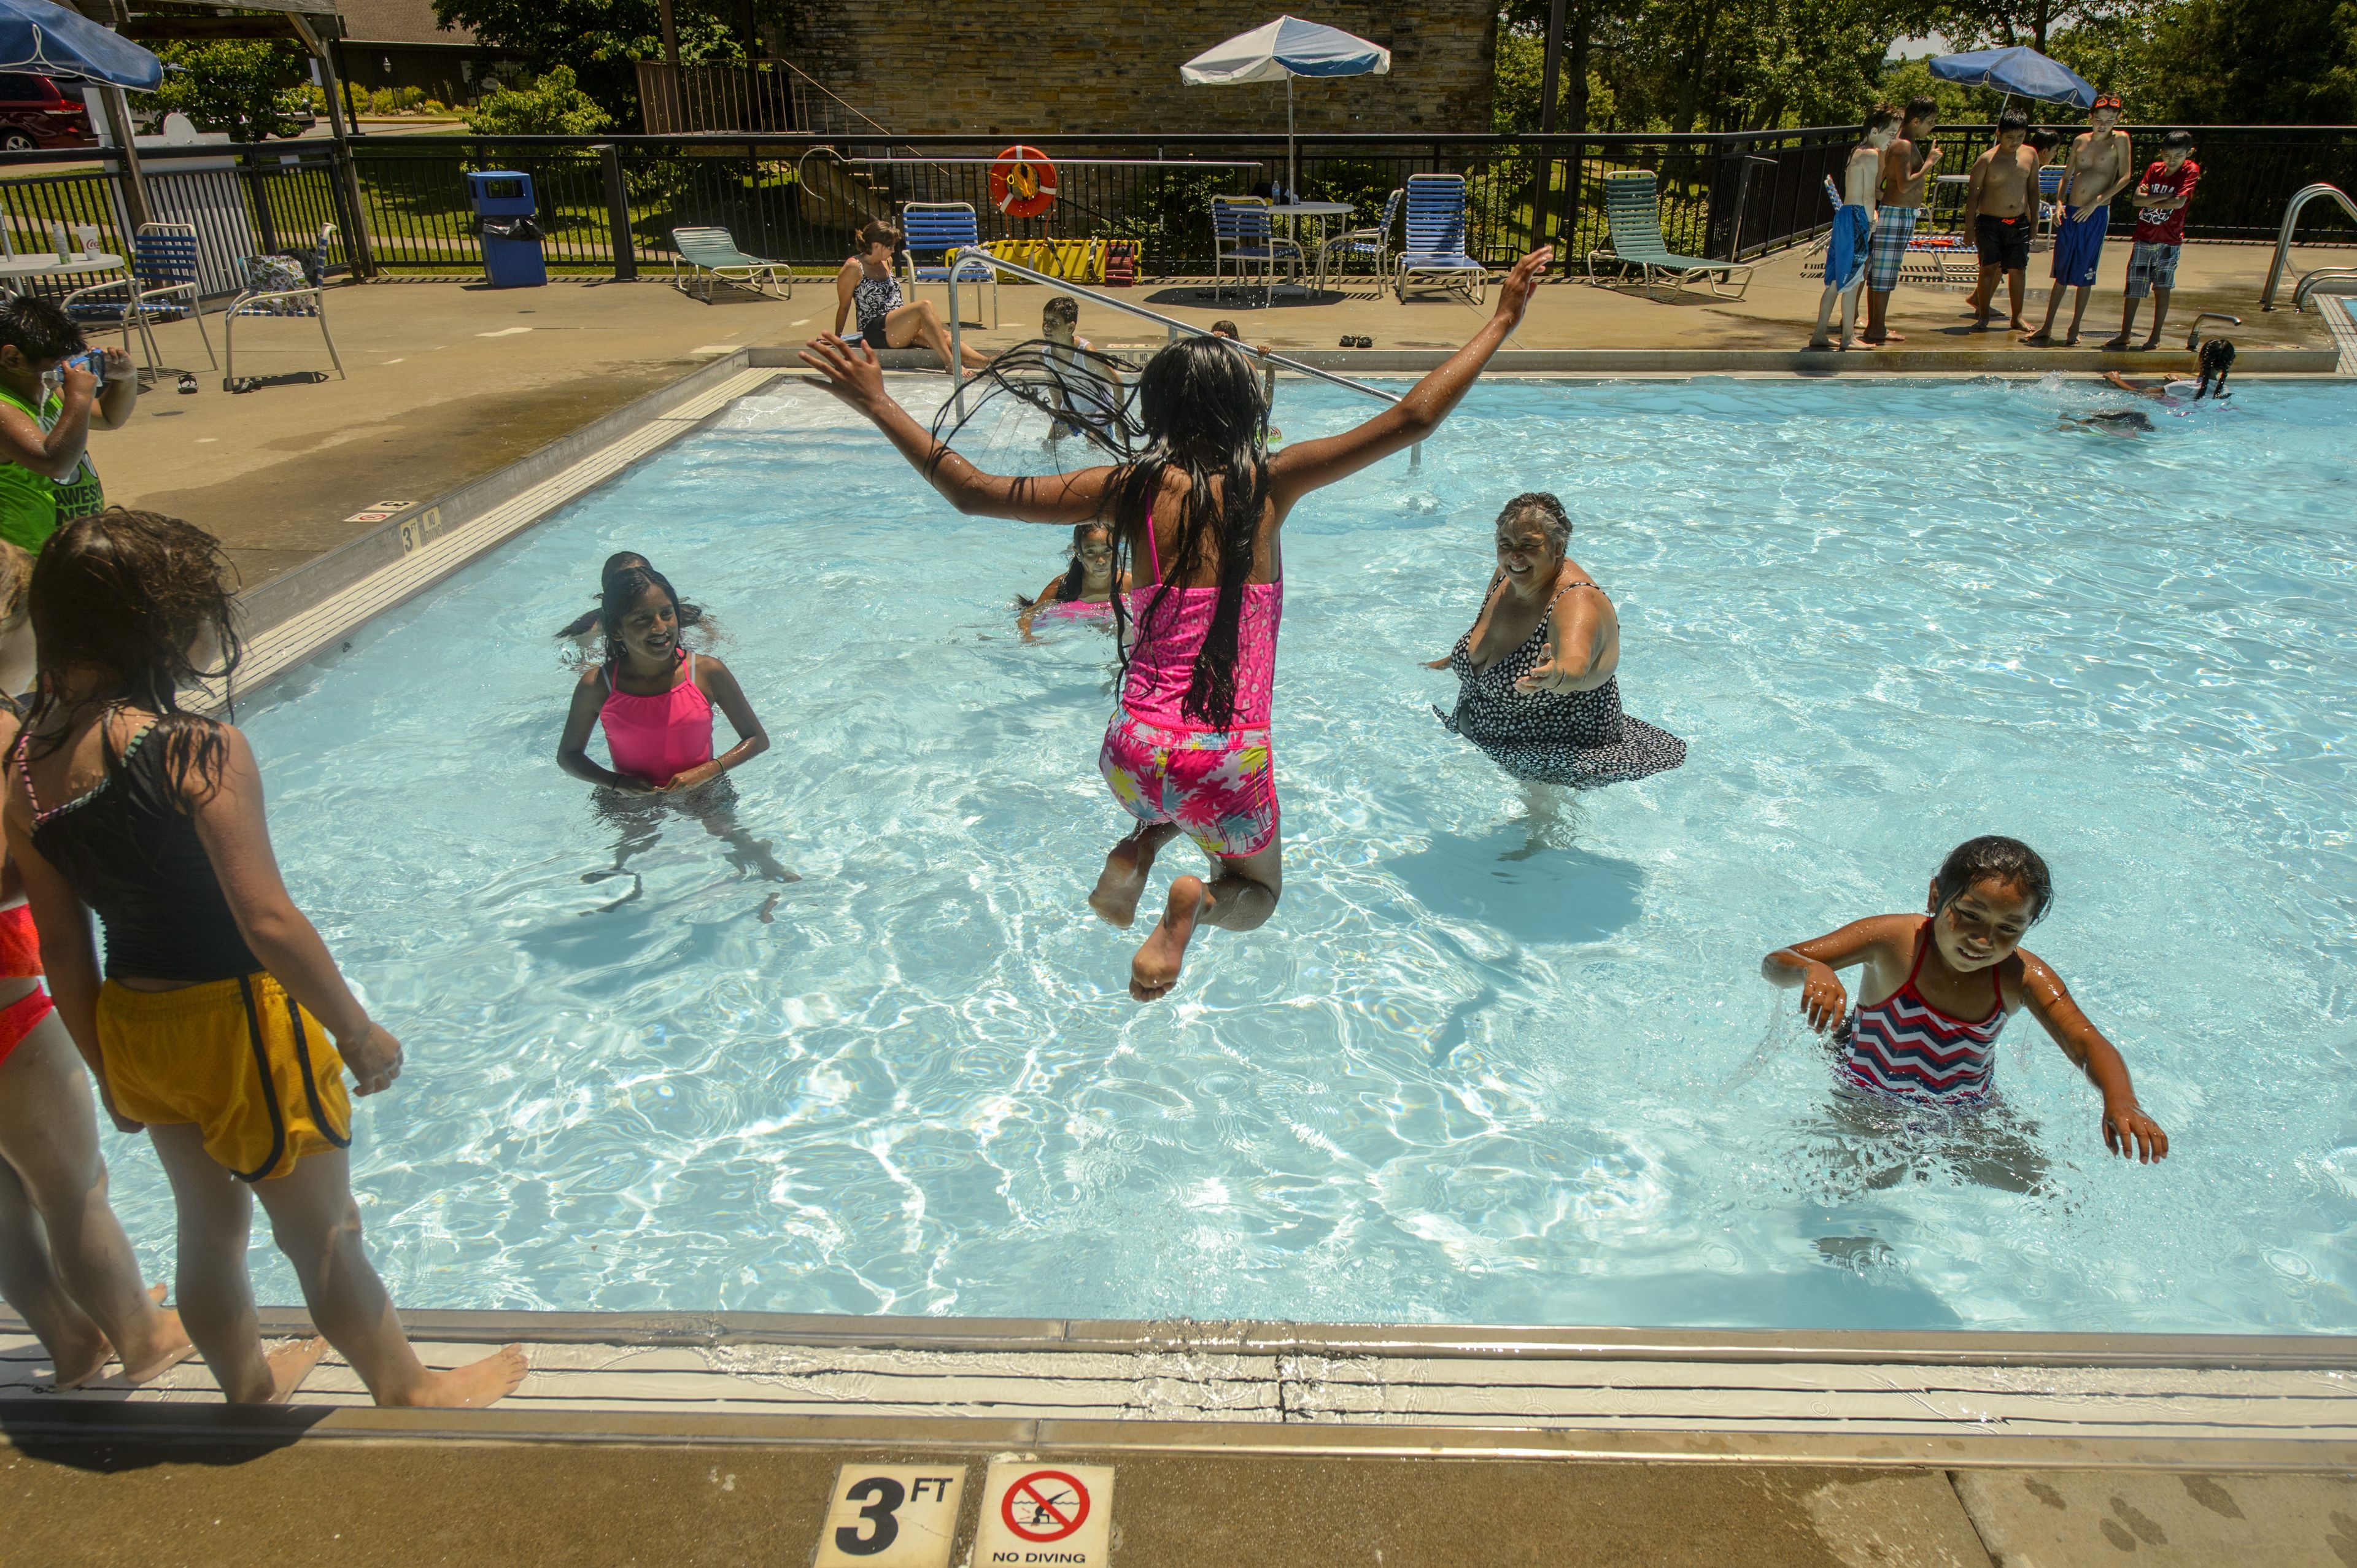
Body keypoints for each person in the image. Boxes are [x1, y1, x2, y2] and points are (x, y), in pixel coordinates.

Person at [800, 245, 1556, 1002]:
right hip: (1224, 760)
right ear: (1246, 410)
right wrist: (1500, 321)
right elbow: (1414, 415)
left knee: (1169, 794)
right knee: (1257, 895)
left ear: (1156, 411)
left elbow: (972, 490)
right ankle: (1190, 909)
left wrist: (876, 401)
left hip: (1130, 753)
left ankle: (1137, 848)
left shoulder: (1128, 489)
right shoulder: (1273, 482)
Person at [1, 509, 528, 1406]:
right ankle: (405, 1386)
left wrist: (110, 1071)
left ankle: (247, 1386)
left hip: (136, 1021)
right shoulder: (196, 751)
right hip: (241, 1024)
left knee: (209, 1226)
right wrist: (357, 1033)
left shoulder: (23, 768)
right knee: (324, 1228)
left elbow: (61, 946)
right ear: (160, 627)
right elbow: (268, 920)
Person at [0, 539, 195, 1392]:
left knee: (6, 1188)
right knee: (73, 1183)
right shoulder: (1, 729)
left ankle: (70, 1331)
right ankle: (140, 1336)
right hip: (6, 1002)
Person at [1760, 835, 2169, 1162]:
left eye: (2009, 928)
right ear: (1936, 898)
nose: (1983, 939)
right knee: (1863, 1203)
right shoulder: (1893, 942)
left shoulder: (2021, 976)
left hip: (1965, 1109)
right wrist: (1812, 969)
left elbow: (2085, 1041)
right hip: (1868, 1095)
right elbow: (1778, 961)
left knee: (2043, 1188)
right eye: (1970, 914)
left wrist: (2122, 1101)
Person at [555, 559, 795, 890]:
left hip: (704, 786)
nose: (660, 627)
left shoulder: (707, 672)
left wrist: (707, 771)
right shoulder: (598, 685)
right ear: (616, 630)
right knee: (633, 843)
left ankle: (771, 880)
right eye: (642, 619)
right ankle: (623, 878)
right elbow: (568, 755)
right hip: (629, 792)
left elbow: (756, 739)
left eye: (667, 614)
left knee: (731, 834)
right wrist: (614, 782)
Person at [1426, 493, 1685, 791]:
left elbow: (1575, 665)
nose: (1515, 556)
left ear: (1558, 547)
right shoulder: (1509, 574)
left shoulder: (1576, 602)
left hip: (1555, 765)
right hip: (1493, 750)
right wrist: (1450, 660)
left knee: (1540, 835)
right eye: (1506, 545)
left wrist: (1554, 676)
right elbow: (1486, 640)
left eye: (1529, 545)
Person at [0, 298, 136, 556]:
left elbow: (108, 417)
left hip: (68, 550)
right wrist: (80, 397)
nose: (67, 371)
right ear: (13, 359)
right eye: (57, 364)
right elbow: (54, 463)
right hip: (27, 558)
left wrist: (126, 380)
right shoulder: (3, 408)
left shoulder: (48, 391)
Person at [2025, 95, 2136, 347]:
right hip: (2072, 211)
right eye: (2099, 119)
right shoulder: (2080, 141)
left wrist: (2097, 202)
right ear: (2091, 118)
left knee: (2085, 273)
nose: (2103, 124)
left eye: (2109, 120)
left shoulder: (2120, 140)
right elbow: (2067, 175)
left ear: (2117, 120)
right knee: (2061, 272)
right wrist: (2060, 202)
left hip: (2094, 213)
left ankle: (2074, 328)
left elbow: (2125, 177)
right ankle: (2048, 326)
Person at [831, 220, 991, 374]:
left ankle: (988, 363)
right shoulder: (853, 267)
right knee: (924, 306)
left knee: (942, 336)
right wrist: (837, 338)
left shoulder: (887, 261)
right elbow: (844, 306)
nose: (893, 250)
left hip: (899, 326)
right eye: (890, 246)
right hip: (876, 331)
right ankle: (950, 364)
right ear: (876, 246)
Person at [1808, 107, 1898, 352]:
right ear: (1874, 131)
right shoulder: (1871, 154)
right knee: (1853, 279)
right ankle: (1848, 337)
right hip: (1858, 217)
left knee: (1837, 280)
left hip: (1845, 216)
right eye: (1890, 133)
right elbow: (1869, 194)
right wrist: (1871, 222)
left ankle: (1819, 334)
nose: (1892, 139)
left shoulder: (1856, 151)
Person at [2106, 130, 2200, 351]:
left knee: (2162, 287)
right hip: (2144, 236)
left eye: (2178, 156)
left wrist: (2152, 201)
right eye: (2168, 155)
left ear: (2189, 153)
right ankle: (2125, 334)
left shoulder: (2191, 170)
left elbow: (2179, 204)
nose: (2172, 160)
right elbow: (2137, 200)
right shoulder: (2155, 169)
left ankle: (2155, 335)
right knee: (2134, 287)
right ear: (2162, 153)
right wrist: (2165, 197)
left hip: (2170, 239)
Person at [1862, 97, 1941, 346]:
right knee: (1884, 275)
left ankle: (1877, 326)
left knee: (1882, 273)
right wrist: (1929, 162)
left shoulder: (1906, 143)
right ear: (1916, 121)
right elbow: (1905, 185)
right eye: (1930, 122)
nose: (1932, 127)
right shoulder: (1904, 145)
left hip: (1900, 214)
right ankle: (1877, 328)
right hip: (1896, 214)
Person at [554, 550, 713, 658]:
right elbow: (582, 665)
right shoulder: (588, 628)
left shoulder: (682, 613)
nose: (640, 583)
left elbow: (715, 638)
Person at [1962, 112, 2040, 331]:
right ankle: (1983, 315)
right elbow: (1973, 197)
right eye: (2010, 137)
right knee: (1988, 268)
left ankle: (2017, 317)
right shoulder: (1987, 159)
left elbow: (2033, 190)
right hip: (1989, 223)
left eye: (2020, 137)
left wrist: (2034, 221)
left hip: (2018, 222)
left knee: (2018, 269)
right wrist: (1969, 229)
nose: (2015, 142)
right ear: (1999, 134)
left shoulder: (2030, 155)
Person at [1016, 522, 1129, 641]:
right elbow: (1027, 616)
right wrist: (1028, 637)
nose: (1101, 561)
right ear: (1078, 554)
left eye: (1107, 550)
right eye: (1091, 552)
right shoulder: (1061, 586)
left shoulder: (1128, 582)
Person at [2100, 336, 2234, 404]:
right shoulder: (2225, 391)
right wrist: (2180, 383)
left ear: (2200, 358)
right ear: (2229, 364)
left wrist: (2116, 380)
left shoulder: (2181, 387)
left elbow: (2140, 394)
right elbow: (2197, 391)